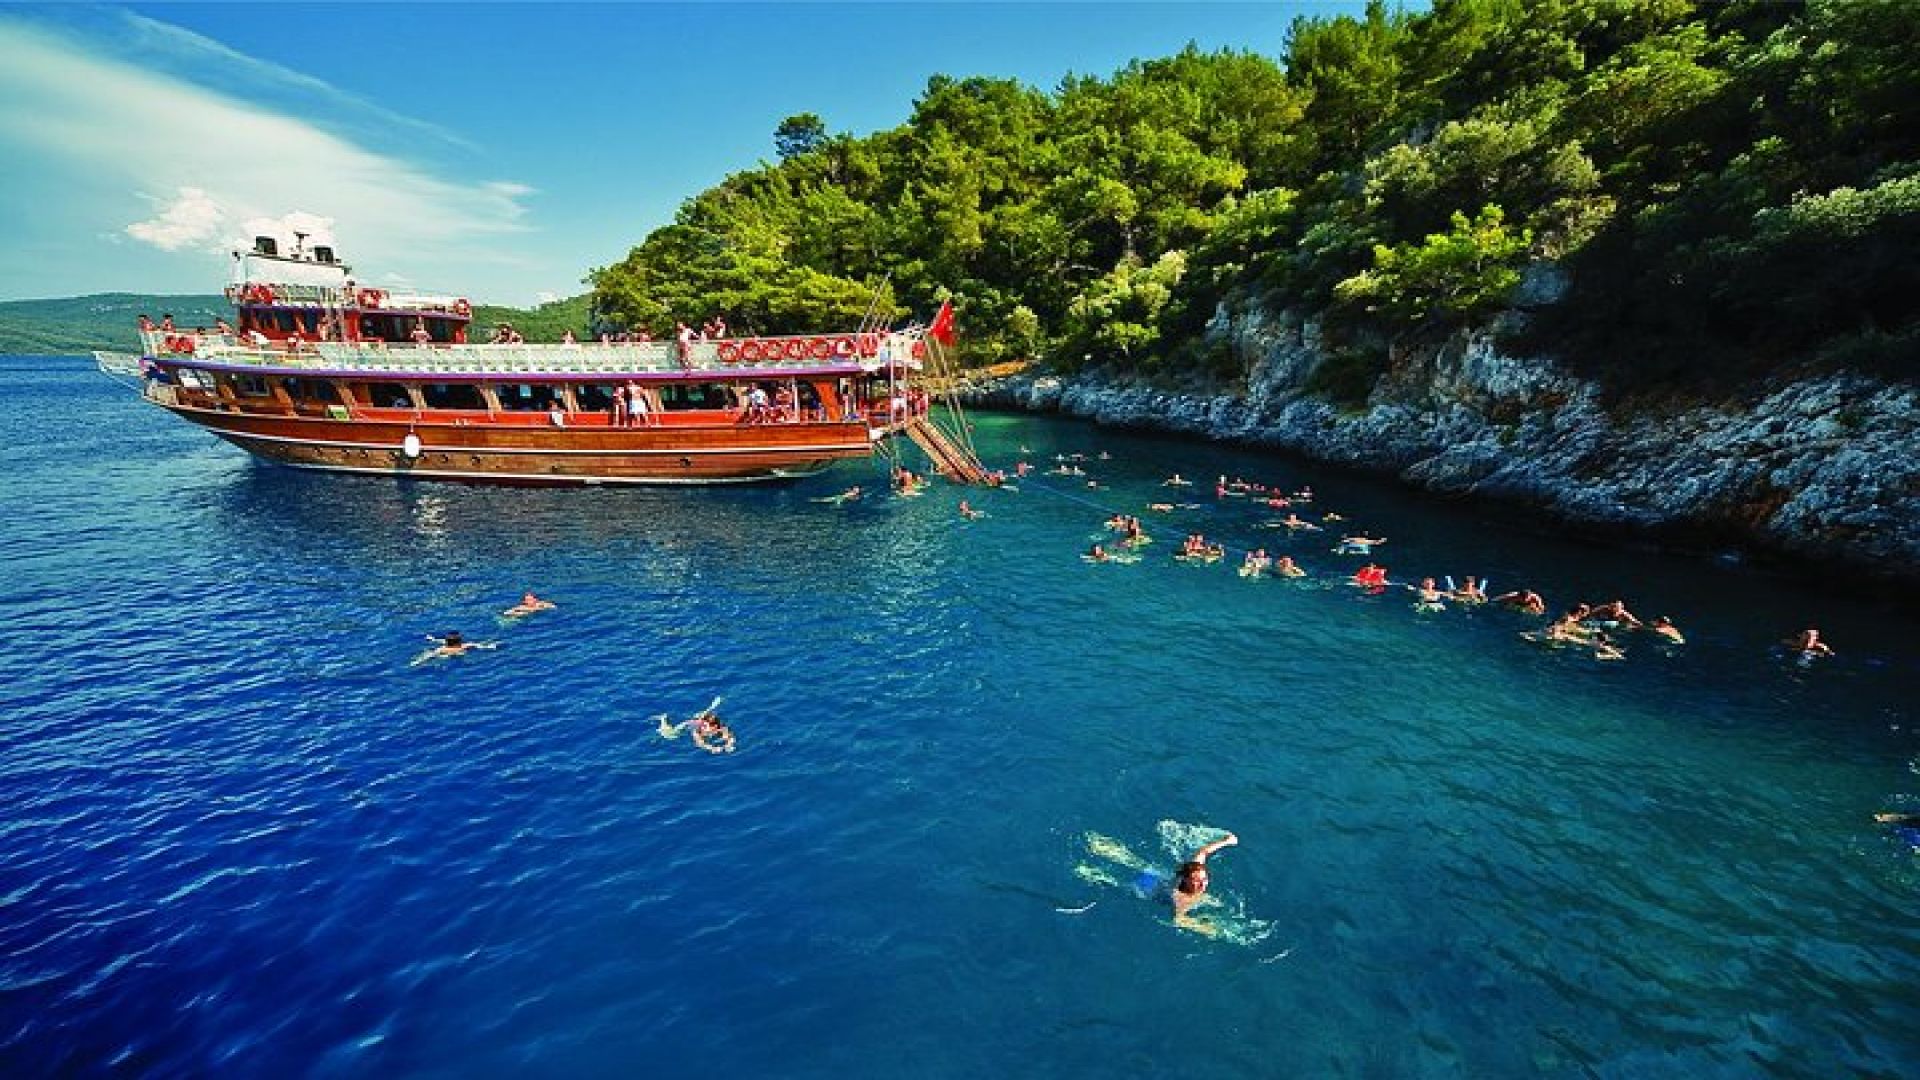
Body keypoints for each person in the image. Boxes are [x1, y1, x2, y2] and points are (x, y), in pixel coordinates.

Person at [1170, 832, 1238, 921]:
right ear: (1185, 880)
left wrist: (1226, 841)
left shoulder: (1196, 868)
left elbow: (1203, 852)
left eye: (1204, 879)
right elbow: (1178, 919)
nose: (1203, 884)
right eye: (1197, 880)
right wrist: (1207, 929)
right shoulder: (1182, 899)